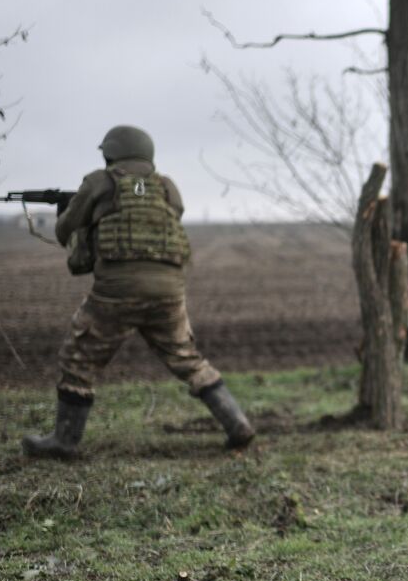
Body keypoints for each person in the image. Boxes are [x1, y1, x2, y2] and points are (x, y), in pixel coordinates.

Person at [22, 125, 255, 457]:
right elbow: (165, 217)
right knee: (188, 359)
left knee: (79, 357)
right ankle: (238, 424)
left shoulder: (98, 182)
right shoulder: (167, 186)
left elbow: (64, 232)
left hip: (117, 291)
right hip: (169, 291)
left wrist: (76, 212)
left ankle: (63, 441)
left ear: (111, 153)